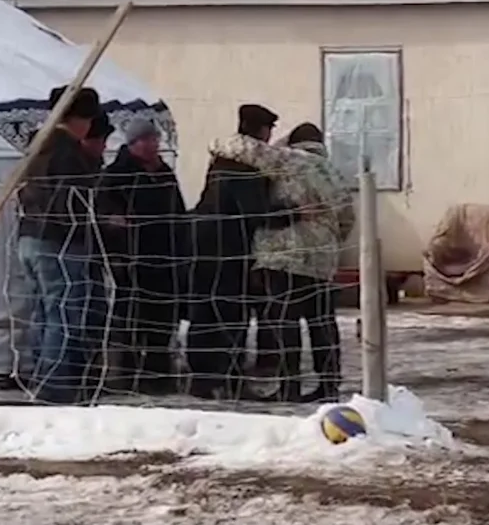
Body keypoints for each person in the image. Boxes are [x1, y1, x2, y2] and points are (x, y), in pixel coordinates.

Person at [216, 122, 355, 403]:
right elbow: (347, 218)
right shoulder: (334, 173)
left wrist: (216, 144)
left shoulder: (288, 160)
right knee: (322, 322)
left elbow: (242, 147)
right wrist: (327, 243)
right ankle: (328, 386)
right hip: (321, 260)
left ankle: (290, 385)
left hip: (284, 257)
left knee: (286, 321)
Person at [187, 104, 290, 400]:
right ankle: (228, 378)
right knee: (230, 313)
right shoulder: (247, 167)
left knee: (203, 311)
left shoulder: (221, 160)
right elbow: (256, 211)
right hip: (228, 247)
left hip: (203, 242)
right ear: (262, 131)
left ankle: (202, 379)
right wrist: (293, 214)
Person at [16, 86, 106, 403]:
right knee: (62, 313)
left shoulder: (35, 145)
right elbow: (76, 202)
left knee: (41, 311)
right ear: (80, 119)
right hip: (60, 239)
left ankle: (39, 377)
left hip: (28, 236)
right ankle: (53, 385)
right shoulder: (68, 152)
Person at [99, 119, 187, 394]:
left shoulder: (163, 174)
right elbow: (104, 215)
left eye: (155, 139)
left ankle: (159, 373)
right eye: (147, 140)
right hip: (131, 257)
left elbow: (178, 212)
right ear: (133, 143)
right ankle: (127, 373)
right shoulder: (116, 175)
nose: (153, 144)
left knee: (163, 317)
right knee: (132, 316)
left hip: (165, 256)